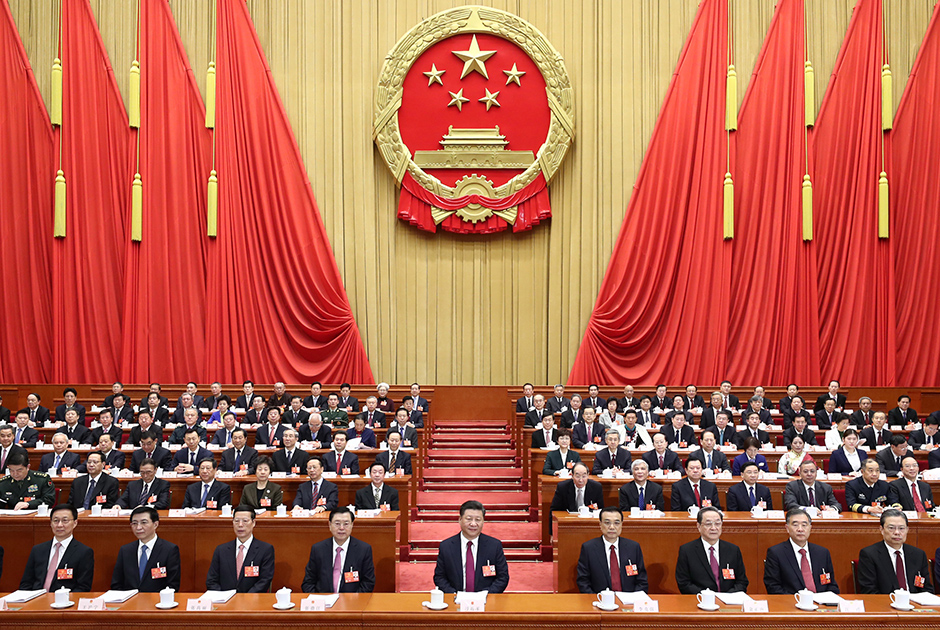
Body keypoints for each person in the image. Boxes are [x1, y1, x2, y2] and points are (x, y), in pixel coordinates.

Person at [433, 500, 509, 593]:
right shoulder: (446, 546)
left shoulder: (494, 545)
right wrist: (454, 595)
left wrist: (486, 595)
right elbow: (439, 577)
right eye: (468, 519)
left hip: (485, 600)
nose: (473, 524)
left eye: (477, 520)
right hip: (455, 600)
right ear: (460, 520)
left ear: (483, 521)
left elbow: (503, 577)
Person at [19, 503, 95, 592]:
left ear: (75, 523)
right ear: (50, 523)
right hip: (37, 600)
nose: (59, 525)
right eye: (55, 520)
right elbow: (26, 584)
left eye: (65, 521)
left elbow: (83, 588)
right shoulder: (38, 550)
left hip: (65, 602)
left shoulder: (84, 552)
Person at [763, 508, 839, 594]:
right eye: (795, 525)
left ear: (810, 528)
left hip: (821, 604)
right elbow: (773, 587)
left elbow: (831, 584)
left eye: (804, 525)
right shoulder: (776, 553)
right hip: (791, 604)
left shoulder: (822, 553)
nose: (800, 529)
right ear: (787, 528)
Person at [858, 509, 932, 594]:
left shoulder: (918, 554)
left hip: (914, 604)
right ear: (881, 529)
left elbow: (926, 589)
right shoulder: (869, 554)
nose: (897, 532)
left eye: (901, 528)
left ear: (907, 530)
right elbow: (869, 591)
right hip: (886, 603)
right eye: (891, 528)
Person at [675, 506, 748, 593]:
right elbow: (684, 583)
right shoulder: (687, 550)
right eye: (708, 524)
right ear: (698, 526)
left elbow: (742, 582)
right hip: (700, 600)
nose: (713, 528)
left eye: (717, 524)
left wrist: (726, 597)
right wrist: (707, 596)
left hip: (728, 601)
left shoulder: (733, 550)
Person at [302, 507, 375, 592]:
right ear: (329, 525)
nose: (341, 528)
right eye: (337, 524)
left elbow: (368, 583)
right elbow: (308, 582)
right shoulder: (318, 549)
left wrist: (354, 601)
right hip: (324, 601)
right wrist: (319, 600)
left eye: (346, 524)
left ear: (352, 525)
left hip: (352, 602)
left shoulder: (363, 549)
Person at [577, 507, 648, 594]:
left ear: (622, 524)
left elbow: (642, 580)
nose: (612, 527)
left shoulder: (633, 547)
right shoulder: (588, 548)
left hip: (629, 601)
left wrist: (633, 600)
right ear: (600, 524)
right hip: (599, 601)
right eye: (607, 523)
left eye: (616, 523)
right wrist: (596, 600)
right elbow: (583, 581)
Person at [206, 505, 276, 592]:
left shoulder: (265, 549)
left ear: (253, 523)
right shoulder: (221, 550)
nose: (240, 525)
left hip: (252, 602)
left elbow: (264, 581)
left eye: (245, 521)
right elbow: (211, 581)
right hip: (225, 602)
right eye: (236, 521)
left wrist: (245, 599)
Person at [111, 506, 181, 591]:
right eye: (134, 523)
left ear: (155, 524)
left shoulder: (169, 549)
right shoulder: (125, 550)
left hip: (157, 602)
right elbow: (116, 584)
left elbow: (173, 585)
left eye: (144, 522)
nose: (138, 527)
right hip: (130, 602)